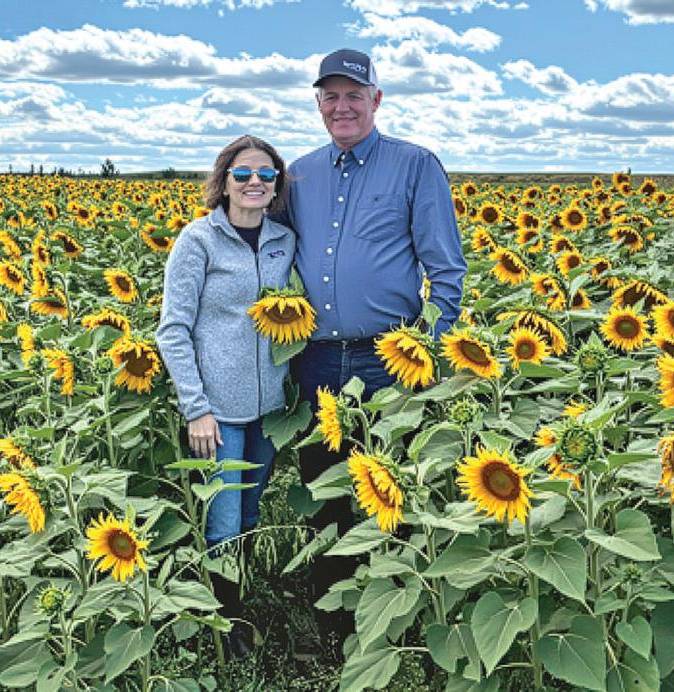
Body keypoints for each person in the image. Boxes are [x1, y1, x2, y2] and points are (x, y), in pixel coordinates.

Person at [283, 48, 467, 652]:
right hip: (315, 357)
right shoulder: (299, 175)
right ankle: (334, 620)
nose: (342, 107)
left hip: (388, 357)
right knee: (325, 489)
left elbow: (446, 271)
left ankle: (396, 618)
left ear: (376, 100)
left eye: (353, 95)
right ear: (318, 104)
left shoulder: (415, 166)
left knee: (394, 487)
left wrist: (430, 353)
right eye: (330, 96)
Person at [156, 134, 294, 658]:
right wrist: (197, 408)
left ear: (276, 184)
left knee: (250, 512)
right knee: (224, 521)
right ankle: (226, 620)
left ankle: (238, 598)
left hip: (270, 409)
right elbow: (173, 330)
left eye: (265, 174)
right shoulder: (198, 240)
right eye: (243, 173)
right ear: (224, 181)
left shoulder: (285, 240)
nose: (254, 182)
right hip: (217, 413)